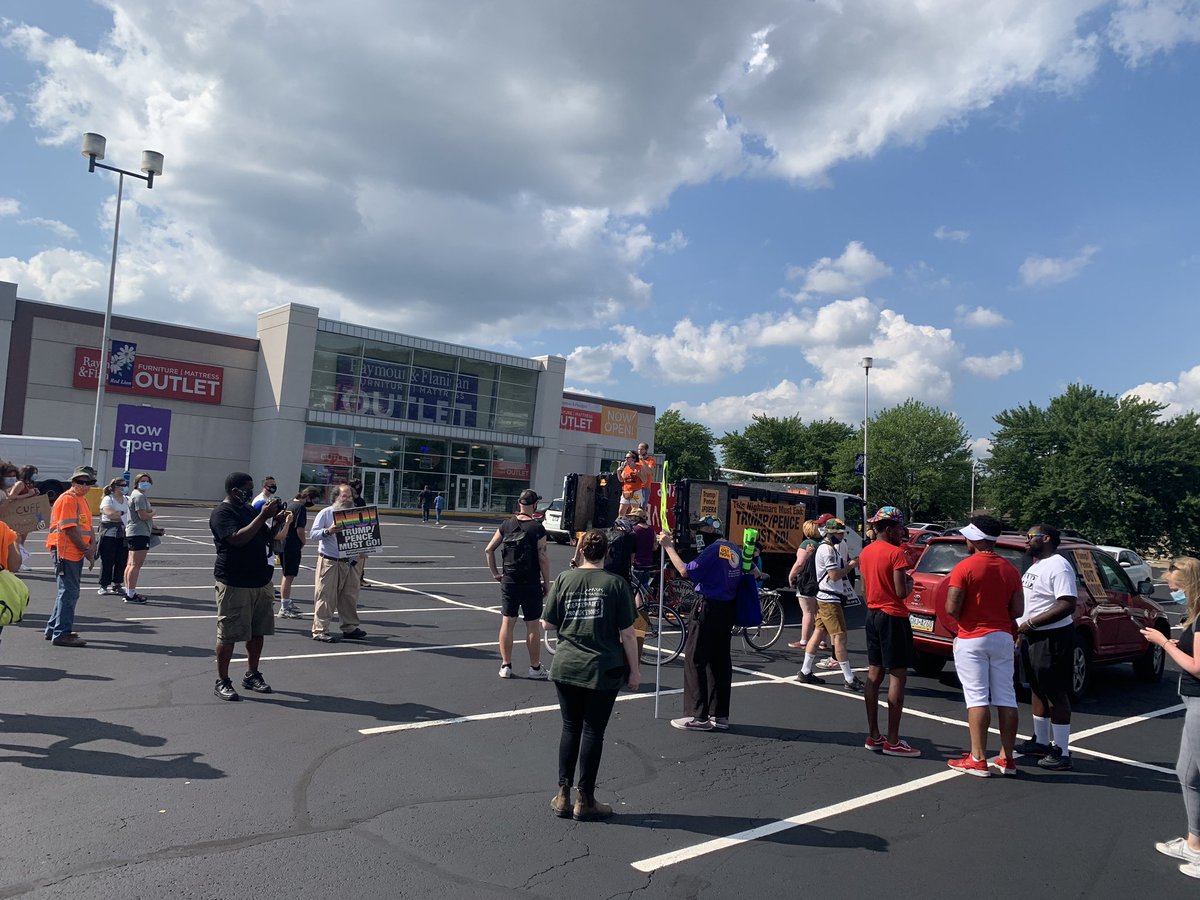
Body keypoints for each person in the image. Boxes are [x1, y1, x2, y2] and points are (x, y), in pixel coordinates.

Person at [541, 529, 640, 821]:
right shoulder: (616, 584)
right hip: (602, 667)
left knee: (570, 727)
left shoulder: (564, 578)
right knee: (593, 731)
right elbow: (628, 634)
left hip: (567, 664)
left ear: (581, 551)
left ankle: (562, 794)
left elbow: (547, 624)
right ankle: (585, 799)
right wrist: (634, 670)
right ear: (606, 553)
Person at [944, 516, 1025, 777]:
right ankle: (1007, 758)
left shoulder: (964, 567)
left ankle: (978, 758)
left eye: (968, 536)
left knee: (977, 697)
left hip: (972, 636)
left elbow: (952, 607)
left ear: (977, 540)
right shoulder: (1010, 569)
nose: (965, 540)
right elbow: (1018, 609)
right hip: (1002, 635)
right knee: (1006, 697)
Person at [211, 471, 290, 700]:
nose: (250, 492)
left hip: (260, 581)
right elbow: (237, 539)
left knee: (257, 632)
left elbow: (269, 538)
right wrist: (262, 515)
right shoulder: (222, 513)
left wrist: (277, 520)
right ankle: (222, 681)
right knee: (228, 634)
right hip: (234, 582)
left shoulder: (247, 510)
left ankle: (252, 673)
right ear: (234, 491)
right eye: (247, 488)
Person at [1145, 557, 1200, 880]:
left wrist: (1164, 643)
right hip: (1192, 701)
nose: (1174, 593)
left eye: (1177, 589)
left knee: (1195, 773)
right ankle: (1194, 843)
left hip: (1199, 701)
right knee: (1186, 771)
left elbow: (1196, 666)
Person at [660, 516, 741, 731]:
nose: (698, 536)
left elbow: (686, 571)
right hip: (727, 608)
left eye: (700, 530)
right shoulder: (733, 548)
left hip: (707, 607)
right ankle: (719, 713)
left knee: (696, 659)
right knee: (720, 661)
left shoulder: (713, 550)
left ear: (710, 530)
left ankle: (698, 715)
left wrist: (668, 547)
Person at [857, 507, 920, 757]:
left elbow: (864, 588)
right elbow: (901, 591)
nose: (902, 533)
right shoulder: (897, 554)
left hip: (872, 615)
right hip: (893, 616)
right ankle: (893, 740)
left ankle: (874, 735)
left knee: (874, 673)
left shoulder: (866, 552)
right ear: (890, 528)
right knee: (898, 676)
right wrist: (910, 583)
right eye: (900, 529)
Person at [1015, 524, 1078, 771]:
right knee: (1037, 688)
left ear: (1047, 538)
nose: (1027, 540)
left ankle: (1061, 751)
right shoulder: (1037, 564)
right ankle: (1041, 740)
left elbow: (1067, 604)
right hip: (1032, 636)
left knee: (1055, 692)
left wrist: (1031, 623)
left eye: (1031, 537)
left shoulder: (1059, 565)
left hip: (1052, 637)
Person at [484, 488, 551, 679]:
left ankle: (506, 665)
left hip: (509, 581)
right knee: (532, 625)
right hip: (530, 582)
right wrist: (547, 583)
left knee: (507, 621)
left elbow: (489, 550)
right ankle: (535, 668)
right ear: (535, 505)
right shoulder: (537, 528)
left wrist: (496, 573)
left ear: (519, 503)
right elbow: (543, 557)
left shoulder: (506, 525)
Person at [796, 518, 865, 693]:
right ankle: (849, 678)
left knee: (819, 632)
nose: (842, 536)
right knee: (840, 636)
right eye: (839, 533)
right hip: (830, 599)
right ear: (831, 533)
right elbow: (834, 575)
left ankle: (805, 671)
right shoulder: (827, 550)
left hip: (825, 597)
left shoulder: (827, 548)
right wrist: (851, 565)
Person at [43, 465, 98, 647]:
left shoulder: (81, 499)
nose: (84, 485)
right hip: (65, 550)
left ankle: (54, 629)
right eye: (80, 481)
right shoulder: (68, 499)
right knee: (69, 592)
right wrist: (86, 549)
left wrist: (92, 546)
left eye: (89, 482)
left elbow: (87, 526)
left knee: (66, 592)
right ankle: (61, 633)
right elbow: (70, 529)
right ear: (73, 482)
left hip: (73, 551)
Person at [309, 484, 368, 642]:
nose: (348, 499)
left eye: (350, 496)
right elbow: (313, 534)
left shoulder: (356, 514)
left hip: (351, 562)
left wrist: (365, 548)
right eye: (345, 496)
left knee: (349, 596)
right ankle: (320, 630)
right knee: (325, 596)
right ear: (336, 497)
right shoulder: (326, 513)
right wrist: (328, 531)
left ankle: (350, 627)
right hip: (330, 560)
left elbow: (363, 535)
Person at [279, 487, 319, 618]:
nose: (312, 504)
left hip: (283, 543)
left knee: (286, 574)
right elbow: (299, 530)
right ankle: (284, 607)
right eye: (313, 501)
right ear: (308, 498)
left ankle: (287, 601)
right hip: (291, 545)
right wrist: (303, 542)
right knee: (288, 576)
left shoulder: (289, 502)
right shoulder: (300, 507)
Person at [787, 519, 826, 653]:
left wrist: (791, 576)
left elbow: (800, 563)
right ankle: (821, 640)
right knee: (817, 612)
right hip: (820, 580)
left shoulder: (806, 544)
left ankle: (804, 640)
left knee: (807, 611)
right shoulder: (822, 544)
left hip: (807, 580)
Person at [122, 472, 157, 603]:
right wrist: (153, 512)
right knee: (136, 564)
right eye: (142, 480)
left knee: (131, 563)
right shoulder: (139, 496)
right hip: (138, 533)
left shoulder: (137, 495)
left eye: (147, 480)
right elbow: (142, 516)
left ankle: (129, 591)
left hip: (135, 532)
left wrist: (155, 528)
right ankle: (131, 594)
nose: (145, 483)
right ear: (136, 482)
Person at [96, 477, 130, 597]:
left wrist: (119, 514)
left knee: (121, 560)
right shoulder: (108, 499)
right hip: (109, 534)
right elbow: (110, 514)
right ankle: (103, 585)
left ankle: (117, 584)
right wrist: (123, 513)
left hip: (124, 534)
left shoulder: (127, 499)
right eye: (122, 485)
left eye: (125, 485)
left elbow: (133, 513)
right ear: (115, 487)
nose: (125, 487)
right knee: (107, 560)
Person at [617, 451, 640, 518]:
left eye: (628, 458)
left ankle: (634, 526)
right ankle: (620, 525)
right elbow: (621, 479)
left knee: (634, 511)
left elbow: (644, 480)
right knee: (621, 511)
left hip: (636, 491)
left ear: (634, 459)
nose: (626, 459)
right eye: (625, 458)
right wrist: (618, 472)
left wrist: (638, 473)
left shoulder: (639, 467)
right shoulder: (626, 468)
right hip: (626, 491)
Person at [635, 442, 656, 510]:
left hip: (645, 486)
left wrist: (643, 461)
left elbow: (650, 471)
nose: (639, 451)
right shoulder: (636, 460)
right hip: (636, 486)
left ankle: (641, 519)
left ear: (646, 450)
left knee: (642, 507)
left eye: (641, 449)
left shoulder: (651, 460)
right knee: (635, 506)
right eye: (638, 449)